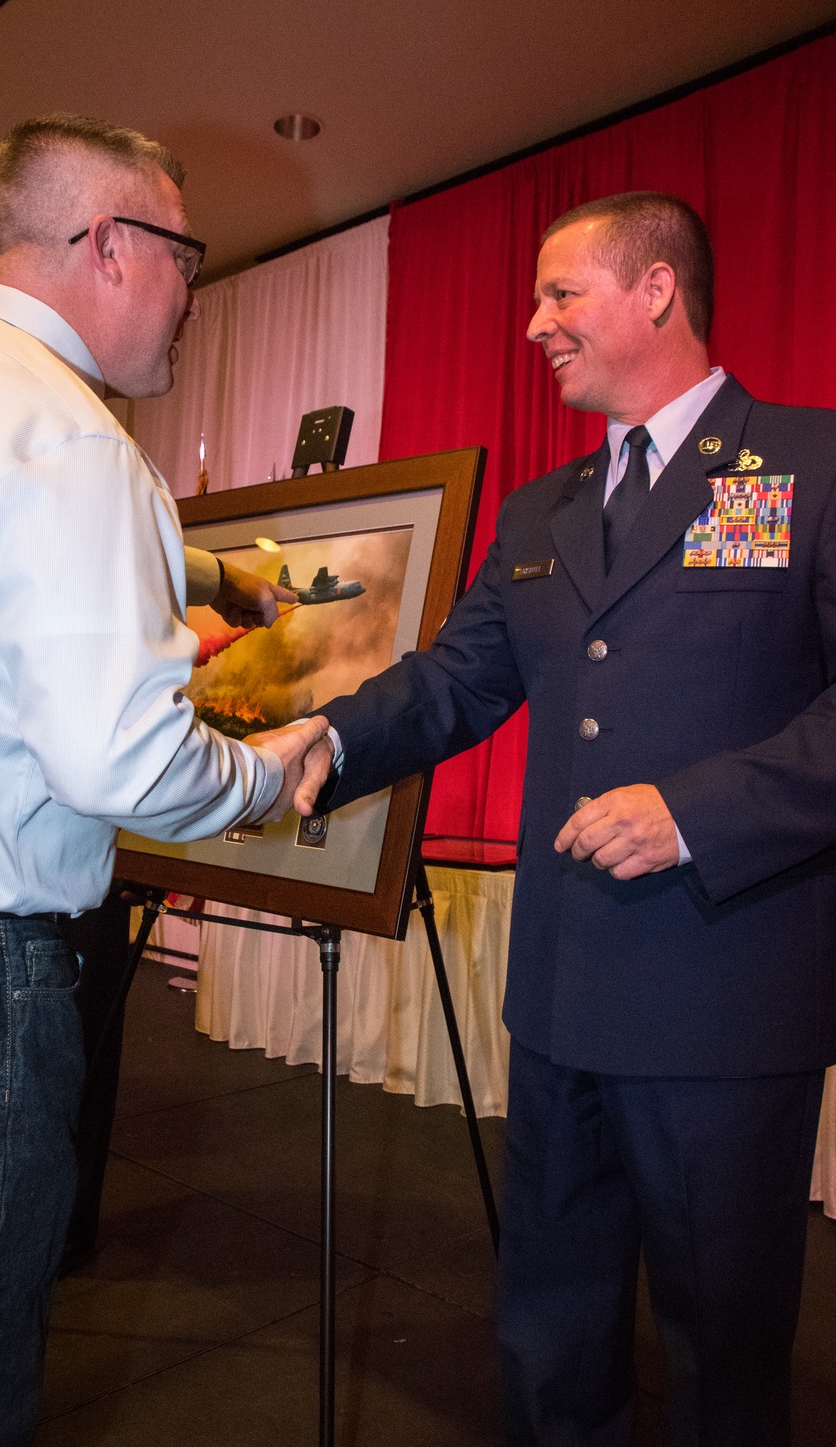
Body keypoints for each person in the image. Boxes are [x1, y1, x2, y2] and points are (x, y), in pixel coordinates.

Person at [309, 192, 836, 1445]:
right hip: (558, 995)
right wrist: (322, 740)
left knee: (722, 1349)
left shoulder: (809, 466)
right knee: (548, 1328)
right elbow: (459, 679)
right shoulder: (542, 512)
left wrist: (698, 810)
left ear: (656, 290)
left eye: (561, 294)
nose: (533, 323)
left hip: (723, 997)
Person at [0, 113, 328, 1446]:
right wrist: (260, 770)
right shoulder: (67, 438)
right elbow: (122, 758)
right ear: (110, 246)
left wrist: (229, 576)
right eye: (186, 251)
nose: (191, 290)